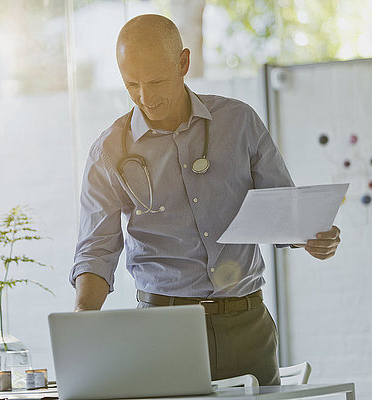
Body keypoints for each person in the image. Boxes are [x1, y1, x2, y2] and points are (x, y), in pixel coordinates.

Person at [69, 14, 341, 385]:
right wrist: (82, 322)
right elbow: (96, 250)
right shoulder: (109, 151)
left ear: (183, 62)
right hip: (164, 329)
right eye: (132, 85)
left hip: (248, 324)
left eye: (156, 81)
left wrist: (312, 237)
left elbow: (282, 211)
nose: (145, 97)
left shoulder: (239, 121)